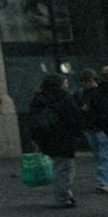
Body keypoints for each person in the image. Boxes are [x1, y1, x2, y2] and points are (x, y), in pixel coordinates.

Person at [26, 73, 88, 209]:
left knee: (59, 166)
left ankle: (65, 194)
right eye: (65, 82)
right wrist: (78, 131)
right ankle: (63, 197)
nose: (67, 84)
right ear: (60, 84)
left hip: (46, 137)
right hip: (64, 137)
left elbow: (33, 119)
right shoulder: (65, 97)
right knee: (65, 168)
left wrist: (35, 137)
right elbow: (74, 117)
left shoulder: (39, 97)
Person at [87, 68, 108, 195]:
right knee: (104, 155)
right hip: (102, 127)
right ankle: (104, 182)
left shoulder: (96, 92)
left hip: (98, 127)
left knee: (102, 156)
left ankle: (104, 182)